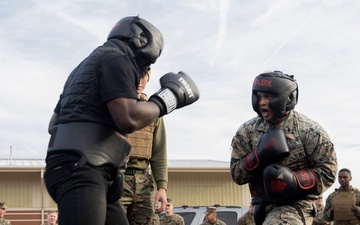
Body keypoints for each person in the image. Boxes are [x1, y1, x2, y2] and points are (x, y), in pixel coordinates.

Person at [44, 15, 199, 225]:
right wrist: (166, 100)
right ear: (142, 41)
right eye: (143, 67)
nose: (140, 73)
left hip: (89, 170)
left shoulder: (83, 67)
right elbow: (128, 118)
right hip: (83, 170)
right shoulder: (118, 57)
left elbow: (54, 125)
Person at [230, 70, 337, 225]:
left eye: (268, 97)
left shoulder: (310, 131)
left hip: (296, 206)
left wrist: (293, 181)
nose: (262, 102)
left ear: (287, 98)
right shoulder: (247, 132)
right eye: (259, 97)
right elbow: (237, 174)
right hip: (259, 206)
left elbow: (328, 172)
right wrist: (258, 157)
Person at [121, 68, 168, 224]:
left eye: (144, 77)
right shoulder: (113, 106)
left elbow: (159, 153)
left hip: (143, 182)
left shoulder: (153, 111)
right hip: (116, 179)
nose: (140, 81)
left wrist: (162, 187)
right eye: (135, 76)